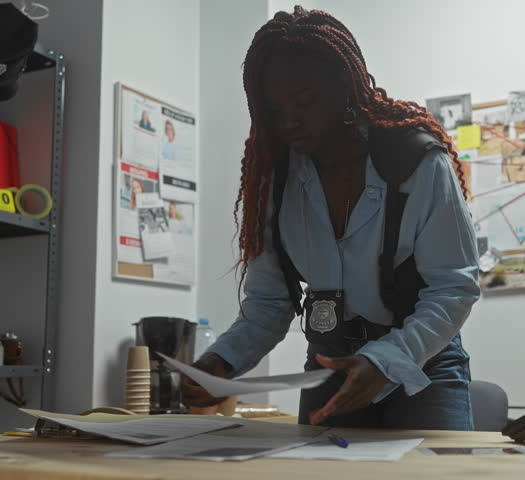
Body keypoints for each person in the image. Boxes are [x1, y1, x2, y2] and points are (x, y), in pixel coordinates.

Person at [181, 6, 479, 430]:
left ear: (344, 88)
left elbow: (453, 287)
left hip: (422, 364)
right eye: (275, 107)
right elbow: (269, 303)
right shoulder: (275, 180)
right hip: (329, 365)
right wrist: (220, 363)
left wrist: (384, 362)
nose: (288, 121)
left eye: (304, 102)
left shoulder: (416, 162)